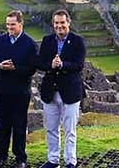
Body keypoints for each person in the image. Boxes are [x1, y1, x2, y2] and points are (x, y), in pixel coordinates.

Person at [0, 10, 37, 168]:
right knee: (3, 124)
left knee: (20, 125)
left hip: (21, 91)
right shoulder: (1, 41)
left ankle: (20, 158)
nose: (9, 28)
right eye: (7, 24)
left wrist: (15, 68)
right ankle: (1, 156)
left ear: (21, 24)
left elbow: (32, 68)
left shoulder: (30, 43)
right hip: (3, 90)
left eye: (12, 25)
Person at [37, 10, 86, 168]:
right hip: (50, 91)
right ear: (53, 24)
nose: (59, 26)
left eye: (62, 23)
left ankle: (71, 161)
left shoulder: (78, 41)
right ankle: (53, 160)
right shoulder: (47, 40)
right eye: (56, 23)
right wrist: (50, 65)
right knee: (51, 128)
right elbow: (40, 63)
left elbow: (79, 65)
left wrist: (63, 64)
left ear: (68, 23)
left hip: (70, 91)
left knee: (69, 129)